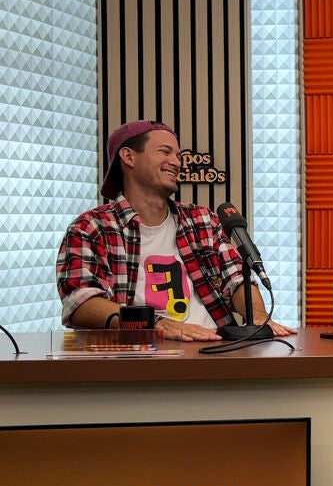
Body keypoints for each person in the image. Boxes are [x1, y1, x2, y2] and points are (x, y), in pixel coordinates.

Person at [56, 120, 296, 341]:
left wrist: (259, 317)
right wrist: (156, 325)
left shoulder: (201, 219)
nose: (177, 162)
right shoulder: (91, 227)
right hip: (137, 354)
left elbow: (236, 279)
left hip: (214, 348)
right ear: (129, 157)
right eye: (165, 152)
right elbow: (81, 302)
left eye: (178, 155)